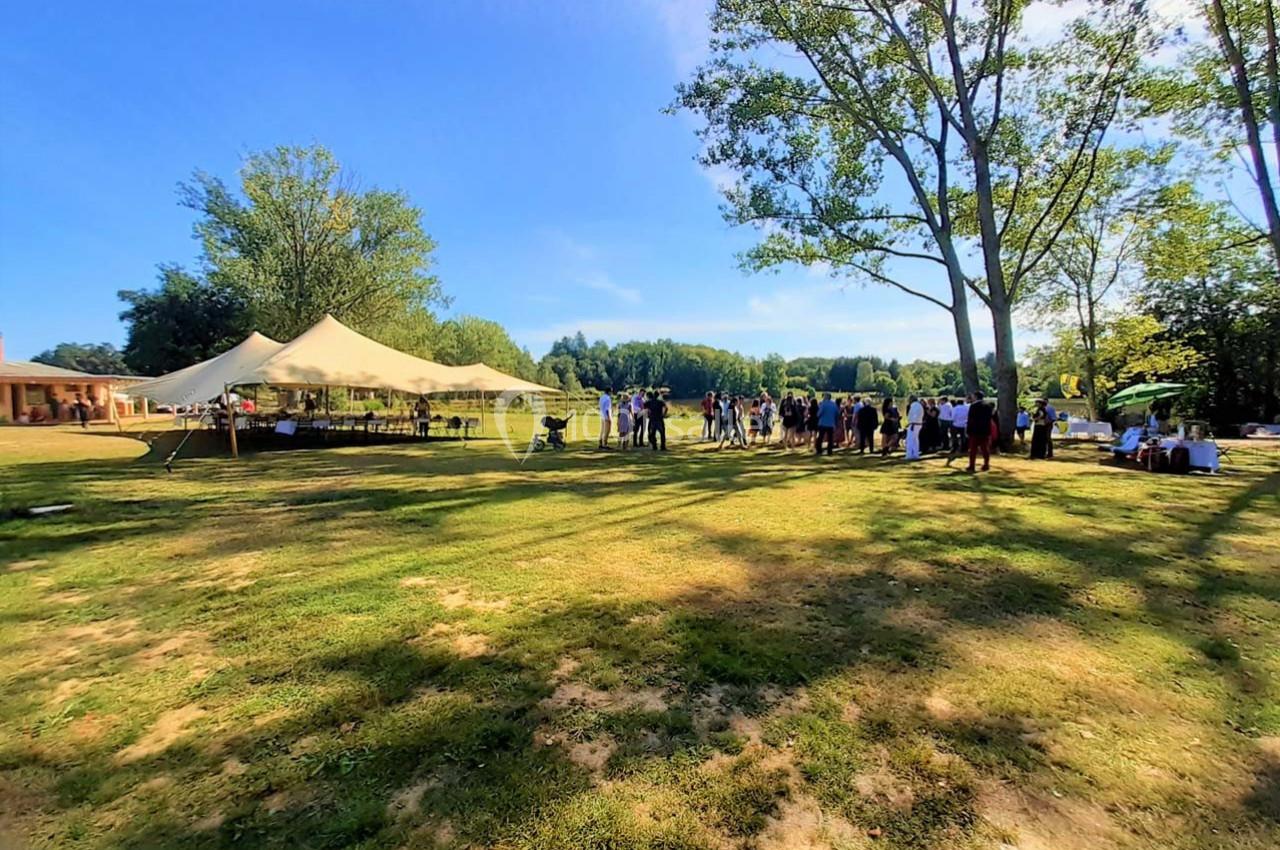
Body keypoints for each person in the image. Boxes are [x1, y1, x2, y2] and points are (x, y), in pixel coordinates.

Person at [967, 392, 994, 472]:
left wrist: (968, 430)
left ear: (976, 396)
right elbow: (990, 418)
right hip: (985, 430)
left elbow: (970, 419)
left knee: (973, 449)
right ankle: (986, 464)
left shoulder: (973, 406)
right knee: (985, 448)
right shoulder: (988, 406)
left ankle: (972, 465)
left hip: (975, 430)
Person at [904, 395, 924, 460]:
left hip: (914, 424)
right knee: (915, 440)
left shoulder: (914, 406)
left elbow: (914, 416)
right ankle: (915, 454)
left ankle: (909, 455)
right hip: (918, 424)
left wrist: (911, 422)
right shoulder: (920, 405)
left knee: (910, 440)